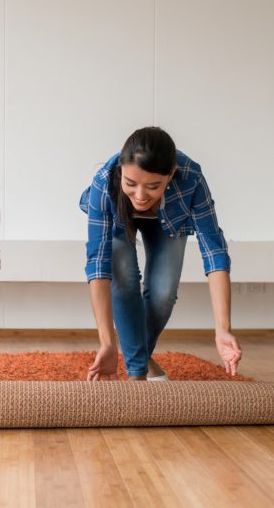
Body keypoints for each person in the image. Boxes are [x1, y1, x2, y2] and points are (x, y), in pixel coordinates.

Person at [80, 126, 241, 381]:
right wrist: (107, 343)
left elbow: (214, 252)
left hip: (169, 220)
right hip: (118, 220)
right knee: (124, 280)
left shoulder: (191, 178)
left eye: (153, 186)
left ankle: (138, 360)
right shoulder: (104, 180)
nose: (141, 196)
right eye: (130, 183)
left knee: (163, 293)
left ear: (171, 175)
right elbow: (98, 264)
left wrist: (223, 329)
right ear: (121, 172)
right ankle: (137, 373)